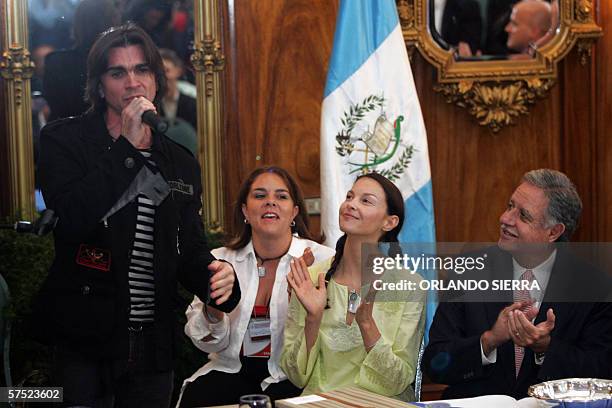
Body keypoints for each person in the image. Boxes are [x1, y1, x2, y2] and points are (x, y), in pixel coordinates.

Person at [32, 23, 240, 407]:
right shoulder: (64, 140)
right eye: (118, 72)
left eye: (142, 70)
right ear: (99, 85)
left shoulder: (179, 161)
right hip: (85, 339)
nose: (132, 82)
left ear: (157, 81)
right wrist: (127, 148)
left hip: (153, 343)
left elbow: (189, 248)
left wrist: (219, 279)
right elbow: (75, 218)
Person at [422, 169, 612, 399]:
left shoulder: (594, 287)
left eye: (523, 215)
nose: (505, 218)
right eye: (509, 205)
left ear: (553, 232)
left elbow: (601, 371)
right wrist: (489, 341)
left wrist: (545, 347)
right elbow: (434, 364)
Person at [178, 166, 335, 407]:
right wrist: (214, 310)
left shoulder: (323, 260)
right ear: (245, 210)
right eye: (260, 196)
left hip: (293, 377)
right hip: (231, 371)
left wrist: (303, 300)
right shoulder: (219, 261)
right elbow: (206, 343)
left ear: (294, 212)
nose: (270, 202)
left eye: (281, 196)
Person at [281, 173, 427, 401]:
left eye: (365, 200)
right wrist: (313, 318)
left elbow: (399, 381)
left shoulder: (411, 286)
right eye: (350, 196)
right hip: (321, 403)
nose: (350, 204)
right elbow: (295, 375)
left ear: (389, 222)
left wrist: (367, 325)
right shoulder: (310, 278)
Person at [44, 0, 121, 121]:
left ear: (77, 24)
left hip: (62, 136)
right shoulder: (119, 63)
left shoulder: (55, 62)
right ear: (113, 23)